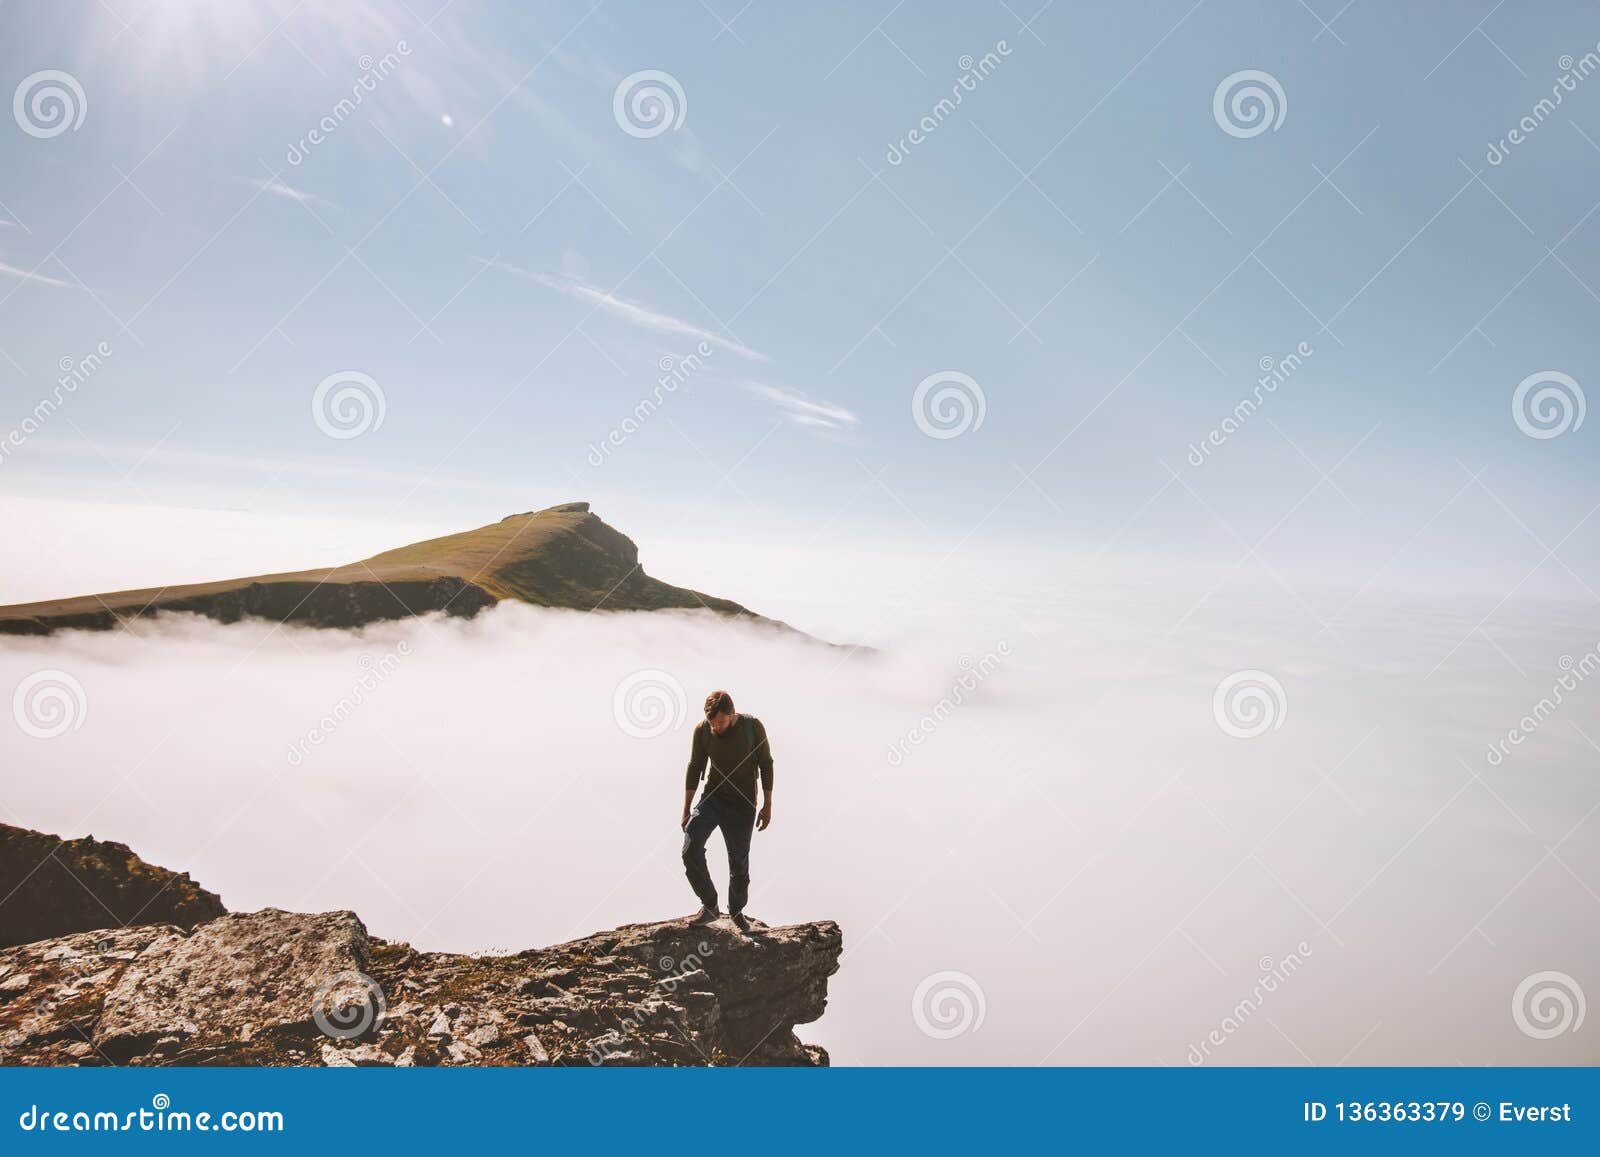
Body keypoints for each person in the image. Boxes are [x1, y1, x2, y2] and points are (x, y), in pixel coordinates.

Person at [680, 689, 773, 932]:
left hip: (743, 805)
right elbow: (694, 766)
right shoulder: (703, 731)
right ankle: (709, 905)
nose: (716, 727)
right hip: (713, 798)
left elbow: (766, 764)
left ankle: (737, 911)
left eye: (720, 722)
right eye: (712, 723)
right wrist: (686, 808)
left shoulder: (752, 728)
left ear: (732, 714)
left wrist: (767, 805)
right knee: (690, 848)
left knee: (739, 863)